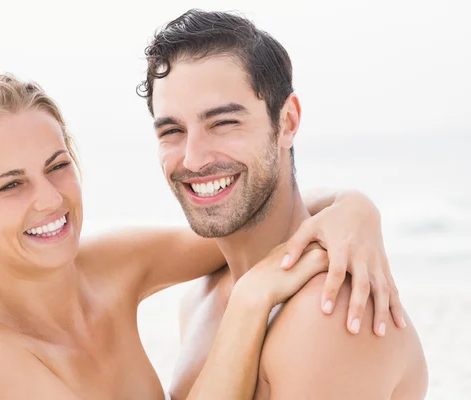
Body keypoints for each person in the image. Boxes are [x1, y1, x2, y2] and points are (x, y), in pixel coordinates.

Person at [0, 74, 398, 400]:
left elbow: (247, 222)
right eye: (11, 185)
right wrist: (246, 305)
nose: (49, 200)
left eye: (57, 166)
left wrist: (355, 209)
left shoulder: (107, 265)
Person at [138, 8, 428, 399]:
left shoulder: (327, 313)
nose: (193, 158)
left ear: (287, 122)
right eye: (172, 130)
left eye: (223, 123)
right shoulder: (202, 297)